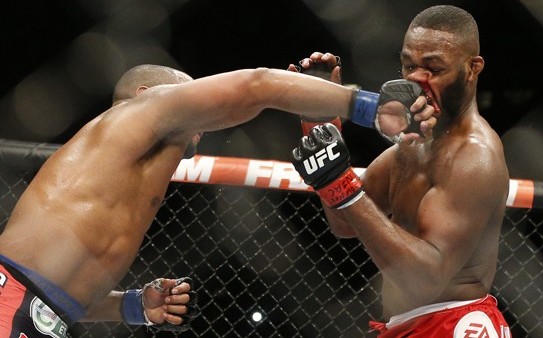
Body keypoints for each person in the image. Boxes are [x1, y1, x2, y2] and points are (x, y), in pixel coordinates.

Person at [0, 62, 417, 337]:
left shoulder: (121, 175)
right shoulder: (136, 115)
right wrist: (364, 105)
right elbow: (257, 85)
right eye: (190, 99)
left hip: (30, 312)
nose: (203, 120)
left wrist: (131, 307)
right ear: (147, 95)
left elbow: (56, 291)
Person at [290, 5, 512, 337]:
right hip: (407, 326)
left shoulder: (473, 157)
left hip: (452, 324)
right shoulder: (410, 146)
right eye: (409, 65)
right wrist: (320, 126)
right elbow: (344, 221)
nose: (416, 80)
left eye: (434, 69)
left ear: (472, 68)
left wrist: (344, 184)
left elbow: (425, 278)